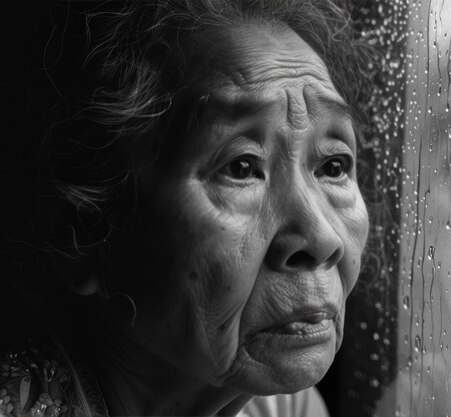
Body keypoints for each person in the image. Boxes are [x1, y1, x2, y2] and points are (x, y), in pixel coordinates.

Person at [0, 1, 371, 416]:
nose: (323, 238)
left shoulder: (285, 407)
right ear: (82, 229)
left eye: (333, 166)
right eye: (241, 167)